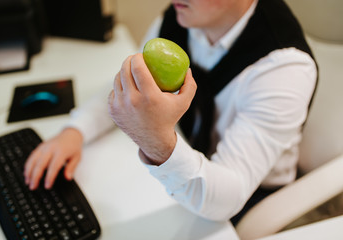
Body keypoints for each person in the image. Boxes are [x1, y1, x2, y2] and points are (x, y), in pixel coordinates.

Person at [24, 0, 318, 225]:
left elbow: (228, 196)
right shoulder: (181, 16)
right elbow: (131, 86)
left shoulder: (285, 68)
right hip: (185, 157)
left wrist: (155, 140)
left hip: (244, 197)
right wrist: (75, 130)